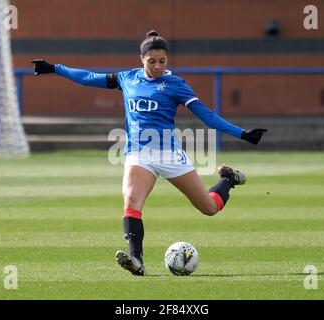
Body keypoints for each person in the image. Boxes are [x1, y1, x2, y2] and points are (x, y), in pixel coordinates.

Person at [32, 30, 267, 276]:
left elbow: (206, 115)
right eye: (151, 61)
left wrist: (242, 133)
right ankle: (136, 260)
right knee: (132, 201)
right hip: (138, 154)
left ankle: (228, 178)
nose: (157, 66)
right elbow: (90, 77)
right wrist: (55, 68)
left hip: (169, 155)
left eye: (162, 61)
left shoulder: (176, 84)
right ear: (141, 59)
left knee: (208, 208)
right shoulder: (127, 78)